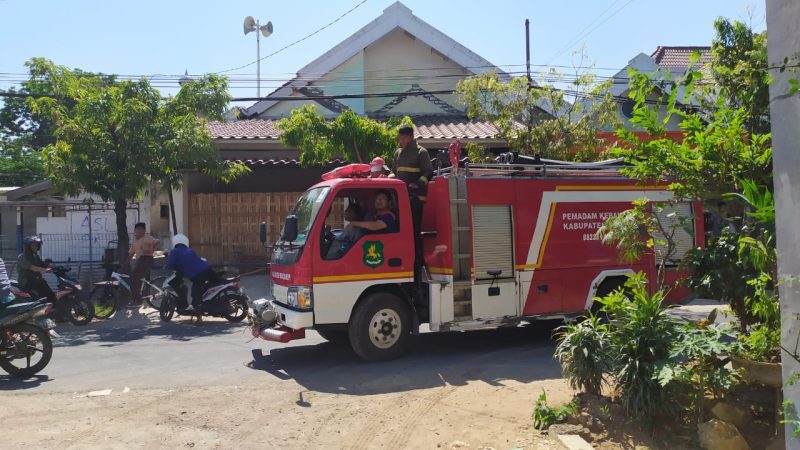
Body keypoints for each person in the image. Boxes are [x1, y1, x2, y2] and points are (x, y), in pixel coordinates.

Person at [389, 126, 432, 263]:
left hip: (415, 199)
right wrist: (388, 179)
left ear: (412, 137)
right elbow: (393, 171)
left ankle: (417, 262)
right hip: (400, 199)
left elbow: (428, 172)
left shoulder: (421, 152)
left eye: (405, 139)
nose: (402, 142)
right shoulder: (398, 153)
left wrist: (418, 183)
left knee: (414, 232)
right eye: (400, 139)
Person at [166, 234, 215, 315]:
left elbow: (171, 265)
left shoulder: (174, 251)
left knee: (195, 293)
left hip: (198, 274)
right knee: (201, 288)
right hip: (207, 269)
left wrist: (170, 267)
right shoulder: (190, 250)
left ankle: (197, 311)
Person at [127, 222, 160, 308]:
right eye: (138, 230)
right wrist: (125, 262)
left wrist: (152, 250)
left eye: (141, 230)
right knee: (136, 279)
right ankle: (139, 298)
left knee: (133, 278)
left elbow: (157, 241)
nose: (139, 231)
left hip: (146, 260)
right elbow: (130, 254)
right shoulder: (135, 243)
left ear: (144, 231)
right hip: (140, 261)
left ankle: (137, 300)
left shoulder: (147, 238)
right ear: (135, 231)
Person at [17, 236, 55, 303]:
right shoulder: (22, 257)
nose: (36, 247)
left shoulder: (35, 256)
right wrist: (44, 270)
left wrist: (52, 266)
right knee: (42, 287)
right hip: (26, 282)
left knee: (49, 292)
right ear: (28, 246)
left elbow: (42, 264)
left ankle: (52, 306)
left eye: (37, 245)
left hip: (36, 280)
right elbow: (32, 267)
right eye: (33, 245)